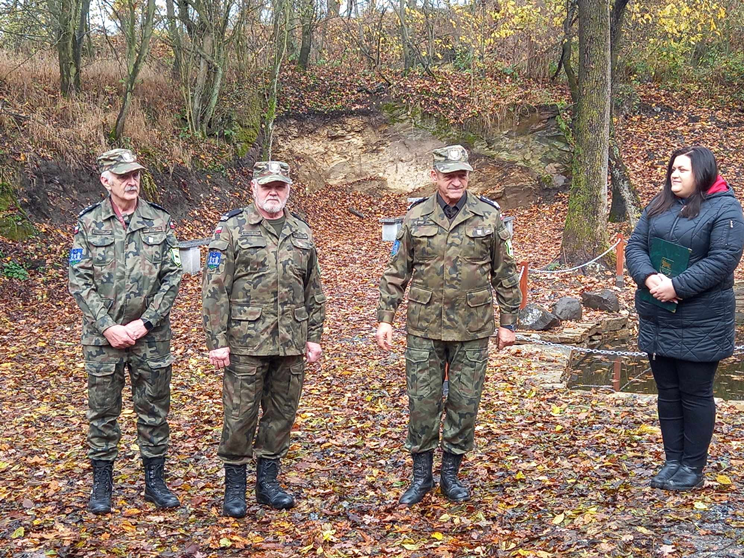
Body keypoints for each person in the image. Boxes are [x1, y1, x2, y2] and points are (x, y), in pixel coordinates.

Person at [375, 145, 522, 505]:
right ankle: (421, 477)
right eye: (449, 174)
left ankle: (451, 475)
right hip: (424, 327)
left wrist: (508, 323)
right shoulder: (416, 217)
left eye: (462, 175)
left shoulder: (488, 217)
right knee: (423, 403)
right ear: (434, 176)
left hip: (472, 329)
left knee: (464, 403)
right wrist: (385, 318)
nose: (456, 181)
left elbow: (505, 273)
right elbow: (397, 272)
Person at [202, 160, 326, 518]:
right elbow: (214, 289)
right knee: (240, 416)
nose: (274, 192)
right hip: (245, 342)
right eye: (267, 186)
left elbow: (313, 289)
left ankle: (268, 482)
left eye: (280, 186)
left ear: (288, 189)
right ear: (253, 188)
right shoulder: (231, 229)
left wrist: (314, 336)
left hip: (291, 342)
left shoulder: (301, 231)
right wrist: (217, 339)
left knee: (281, 415)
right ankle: (236, 487)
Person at [68, 149, 183, 514]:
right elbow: (79, 280)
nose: (131, 181)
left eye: (135, 175)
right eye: (123, 176)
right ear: (106, 180)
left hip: (151, 336)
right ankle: (102, 485)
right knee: (103, 413)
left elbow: (172, 276)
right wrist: (108, 327)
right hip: (104, 341)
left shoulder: (160, 221)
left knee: (154, 411)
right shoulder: (88, 224)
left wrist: (145, 322)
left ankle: (154, 482)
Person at [626, 146, 744, 491]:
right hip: (658, 316)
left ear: (702, 174)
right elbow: (635, 245)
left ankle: (692, 466)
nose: (674, 175)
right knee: (667, 393)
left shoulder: (726, 209)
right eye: (673, 168)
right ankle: (672, 461)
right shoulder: (659, 204)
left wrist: (677, 287)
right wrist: (649, 279)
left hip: (701, 320)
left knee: (695, 394)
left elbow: (723, 260)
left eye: (683, 170)